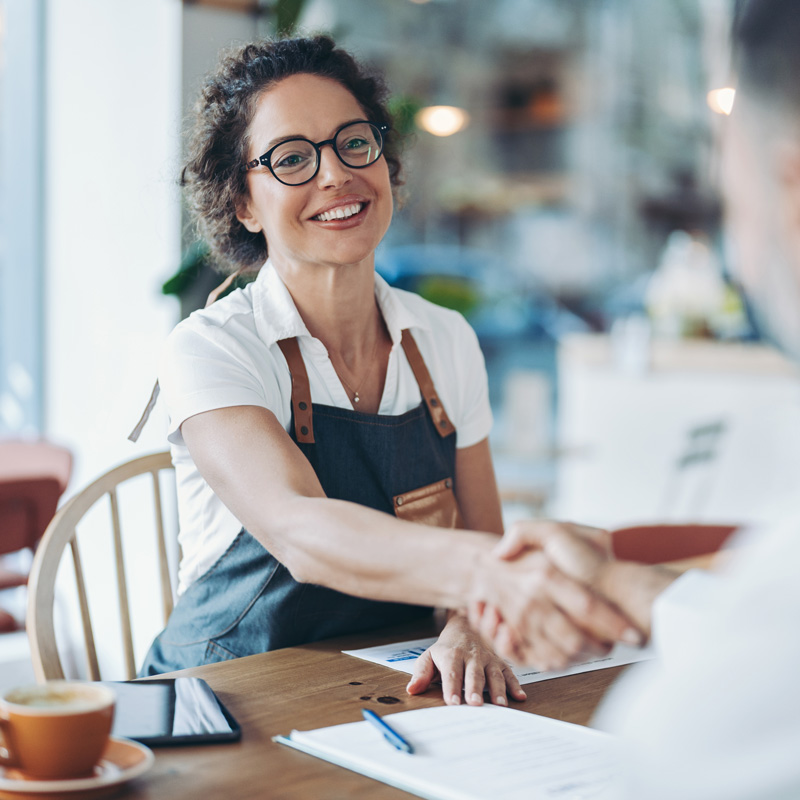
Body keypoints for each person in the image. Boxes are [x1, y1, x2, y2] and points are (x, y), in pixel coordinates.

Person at [140, 35, 635, 700]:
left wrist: (473, 626)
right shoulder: (212, 347)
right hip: (221, 699)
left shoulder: (445, 339)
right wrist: (496, 575)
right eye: (292, 158)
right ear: (243, 204)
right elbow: (300, 530)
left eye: (354, 142)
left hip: (385, 690)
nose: (335, 174)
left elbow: (480, 535)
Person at [474, 1, 800, 794]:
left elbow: (691, 745)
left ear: (791, 187)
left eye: (730, 193)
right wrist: (629, 586)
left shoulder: (701, 730)